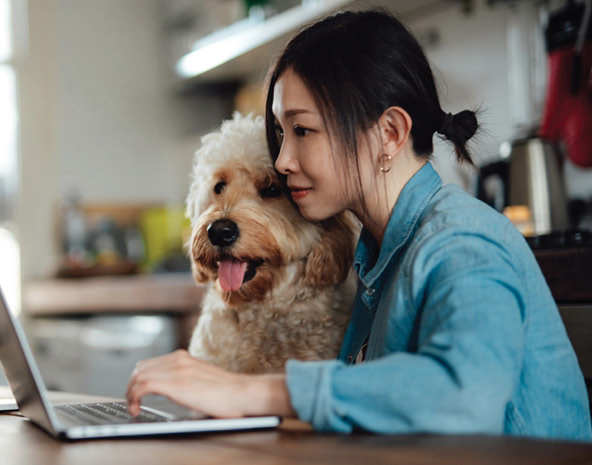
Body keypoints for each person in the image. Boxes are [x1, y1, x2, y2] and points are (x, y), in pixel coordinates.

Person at [124, 9, 592, 441]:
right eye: (281, 134)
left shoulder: (462, 242)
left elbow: (466, 395)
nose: (284, 160)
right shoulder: (379, 253)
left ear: (389, 133)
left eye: (302, 131)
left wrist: (252, 392)